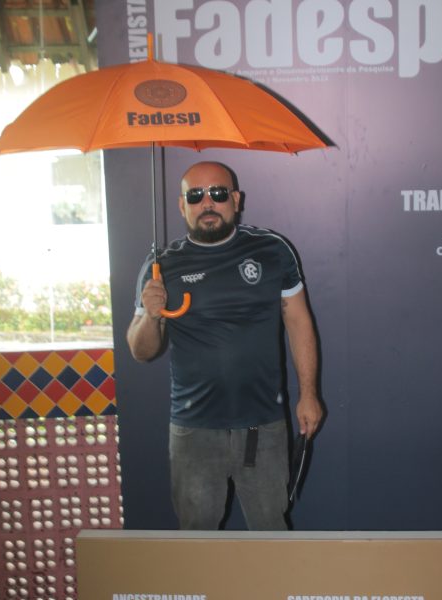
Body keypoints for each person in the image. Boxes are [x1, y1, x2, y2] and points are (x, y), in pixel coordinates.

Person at [126, 161, 323, 530]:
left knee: (271, 533)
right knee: (197, 538)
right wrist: (151, 315)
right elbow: (141, 351)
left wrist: (309, 394)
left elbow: (298, 322)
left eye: (217, 193)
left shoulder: (272, 250)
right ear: (181, 205)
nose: (207, 203)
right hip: (194, 429)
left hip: (263, 425)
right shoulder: (161, 265)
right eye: (195, 196)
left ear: (235, 200)